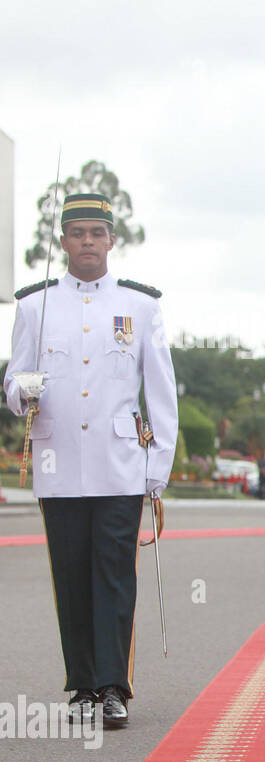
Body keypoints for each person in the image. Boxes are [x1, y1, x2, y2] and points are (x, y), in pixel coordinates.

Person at [2, 192, 178, 728]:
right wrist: (21, 392)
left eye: (96, 233)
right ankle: (81, 684)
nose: (86, 242)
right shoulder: (35, 306)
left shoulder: (140, 306)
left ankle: (112, 686)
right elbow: (13, 381)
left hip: (120, 462)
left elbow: (161, 390)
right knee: (71, 576)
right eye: (76, 233)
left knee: (113, 576)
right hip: (59, 464)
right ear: (62, 242)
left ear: (110, 240)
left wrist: (158, 466)